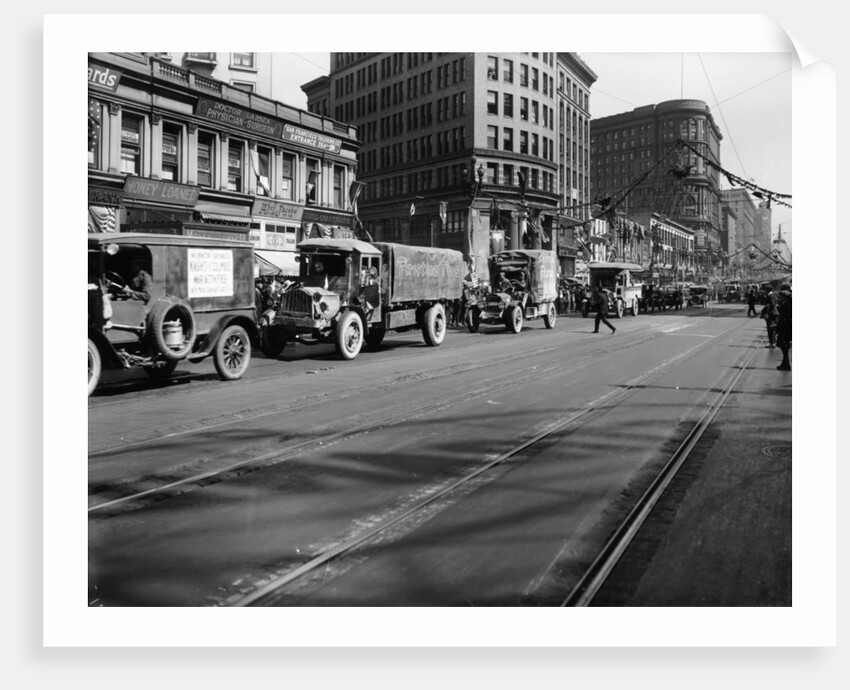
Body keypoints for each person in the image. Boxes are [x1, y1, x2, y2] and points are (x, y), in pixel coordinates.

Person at [775, 286, 792, 370]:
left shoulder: (787, 304)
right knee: (784, 346)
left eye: (780, 296)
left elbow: (785, 316)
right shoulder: (786, 303)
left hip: (785, 328)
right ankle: (785, 363)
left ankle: (786, 364)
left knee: (784, 346)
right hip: (784, 328)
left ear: (784, 296)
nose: (779, 298)